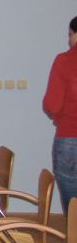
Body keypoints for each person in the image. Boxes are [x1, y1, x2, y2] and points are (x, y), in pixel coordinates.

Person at [43, 15, 77, 215]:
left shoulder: (64, 61)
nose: (69, 38)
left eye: (70, 34)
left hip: (70, 139)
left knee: (73, 205)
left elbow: (52, 106)